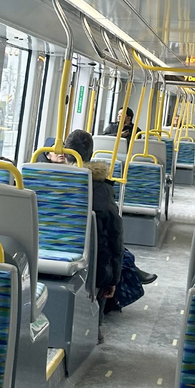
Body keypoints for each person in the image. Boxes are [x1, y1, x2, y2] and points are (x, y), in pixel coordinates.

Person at [60, 130, 157, 338]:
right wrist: (113, 279)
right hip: (94, 263)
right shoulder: (101, 189)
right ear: (91, 153)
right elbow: (114, 235)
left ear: (65, 152)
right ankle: (95, 328)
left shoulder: (50, 181)